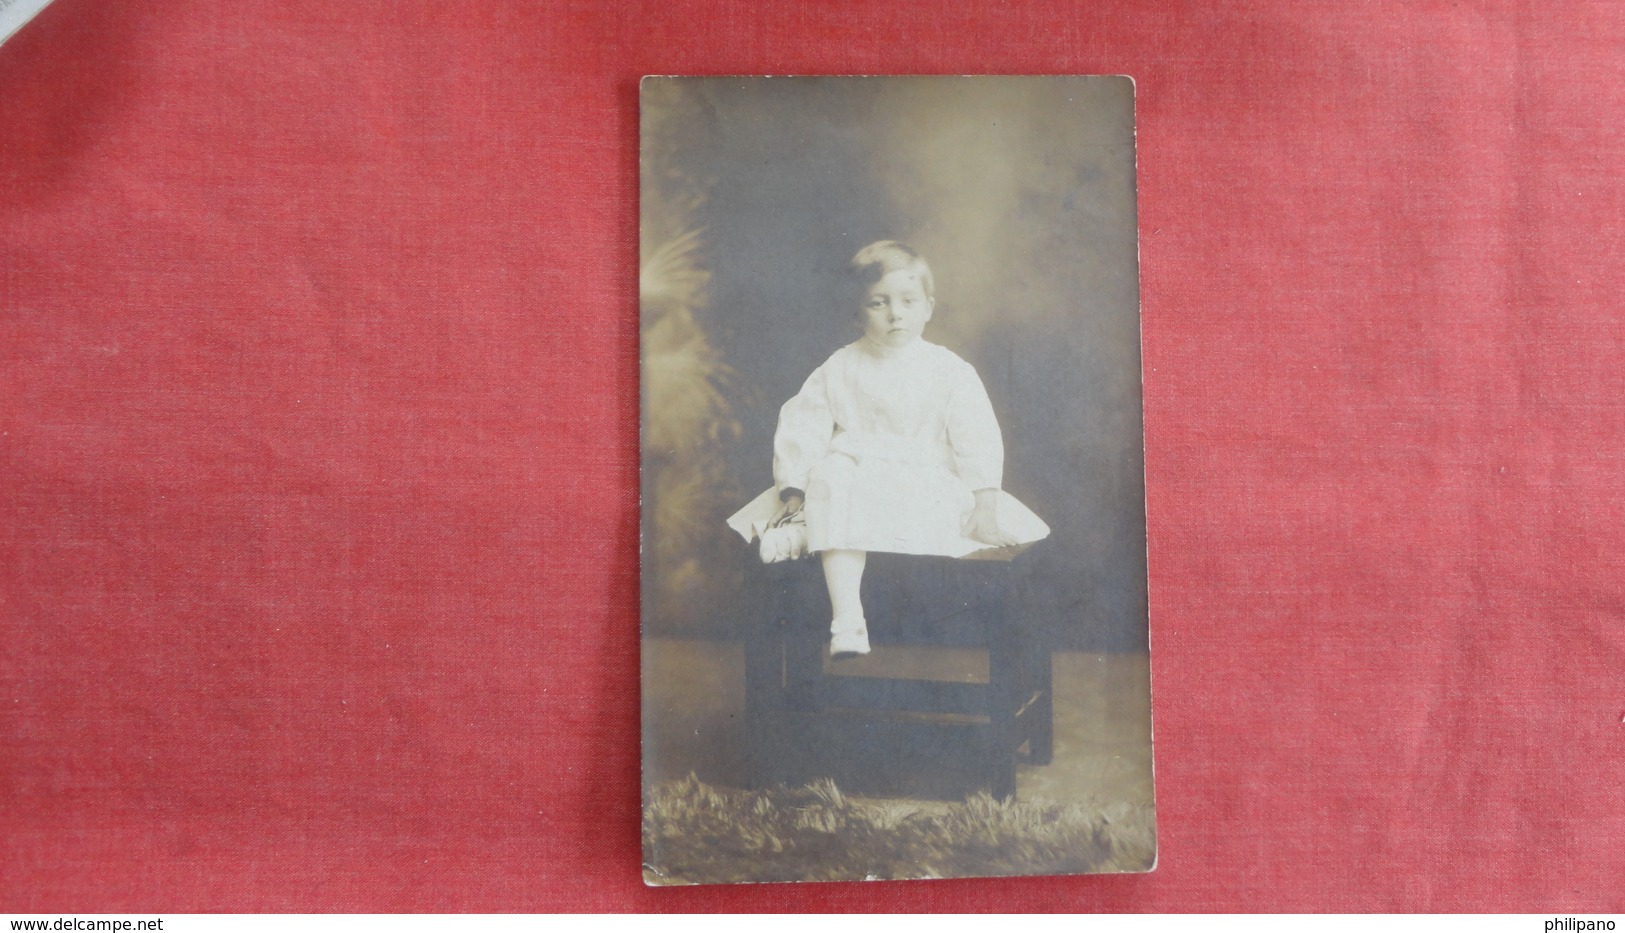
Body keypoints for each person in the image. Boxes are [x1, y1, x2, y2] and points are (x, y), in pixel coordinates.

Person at [727, 241, 1049, 657]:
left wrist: (984, 505)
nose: (895, 313)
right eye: (878, 303)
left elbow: (978, 438)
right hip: (853, 477)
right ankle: (847, 620)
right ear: (856, 313)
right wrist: (793, 493)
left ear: (928, 306)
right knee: (834, 475)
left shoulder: (949, 370)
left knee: (852, 493)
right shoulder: (841, 366)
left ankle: (808, 533)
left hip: (921, 486)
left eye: (908, 301)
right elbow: (802, 426)